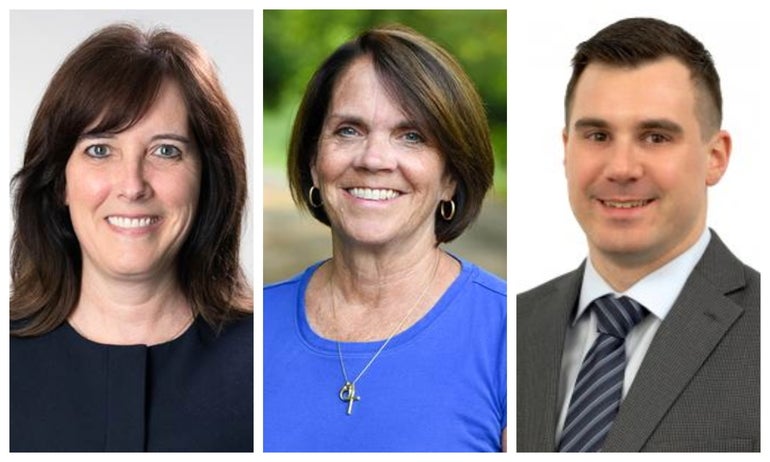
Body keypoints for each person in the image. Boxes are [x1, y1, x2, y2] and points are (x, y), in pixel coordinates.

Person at [517, 17, 759, 452]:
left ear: (715, 157)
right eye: (597, 135)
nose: (622, 168)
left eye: (655, 136)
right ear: (566, 149)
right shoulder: (513, 325)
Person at [10, 23, 253, 452]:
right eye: (100, 149)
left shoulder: (265, 361)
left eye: (165, 151)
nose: (132, 185)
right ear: (59, 181)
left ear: (207, 179)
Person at [263, 24, 506, 452]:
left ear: (451, 176)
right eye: (348, 130)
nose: (374, 159)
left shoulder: (511, 335)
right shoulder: (248, 328)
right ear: (314, 162)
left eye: (411, 136)